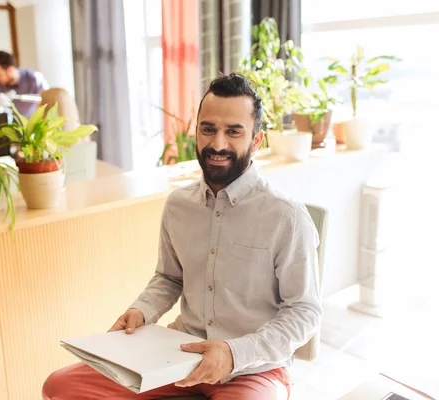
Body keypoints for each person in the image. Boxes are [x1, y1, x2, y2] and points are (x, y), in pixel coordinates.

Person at [41, 73, 322, 400]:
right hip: (178, 354)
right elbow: (169, 277)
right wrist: (142, 311)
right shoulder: (178, 205)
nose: (218, 144)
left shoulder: (286, 216)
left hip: (252, 368)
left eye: (234, 131)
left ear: (257, 140)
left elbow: (304, 312)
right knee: (59, 387)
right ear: (197, 131)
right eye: (209, 129)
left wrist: (234, 353)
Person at [0, 51, 49, 118]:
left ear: (10, 70)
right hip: (10, 125)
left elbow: (45, 102)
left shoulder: (34, 78)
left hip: (34, 123)